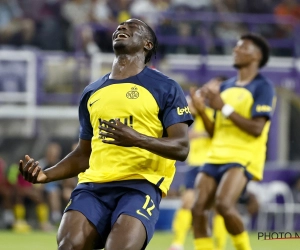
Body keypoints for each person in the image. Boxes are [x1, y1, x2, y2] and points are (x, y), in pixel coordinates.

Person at [18, 18, 193, 250]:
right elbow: (83, 154)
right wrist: (46, 176)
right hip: (93, 187)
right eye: (120, 26)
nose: (123, 27)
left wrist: (136, 138)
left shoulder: (166, 87)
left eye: (133, 27)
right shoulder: (92, 92)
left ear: (147, 44)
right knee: (69, 245)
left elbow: (181, 148)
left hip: (141, 185)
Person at [190, 33, 276, 250]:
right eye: (236, 47)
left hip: (243, 155)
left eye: (242, 47)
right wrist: (201, 112)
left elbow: (257, 128)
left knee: (224, 205)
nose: (236, 50)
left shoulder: (263, 87)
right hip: (216, 154)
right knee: (198, 209)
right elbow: (213, 131)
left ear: (257, 56)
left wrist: (223, 107)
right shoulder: (226, 86)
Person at [168, 77, 225, 250]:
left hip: (216, 161)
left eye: (215, 84)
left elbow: (219, 133)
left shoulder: (222, 110)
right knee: (187, 202)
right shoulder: (196, 106)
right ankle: (177, 243)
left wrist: (199, 135)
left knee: (218, 207)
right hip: (196, 163)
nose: (210, 86)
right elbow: (185, 109)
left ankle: (220, 246)